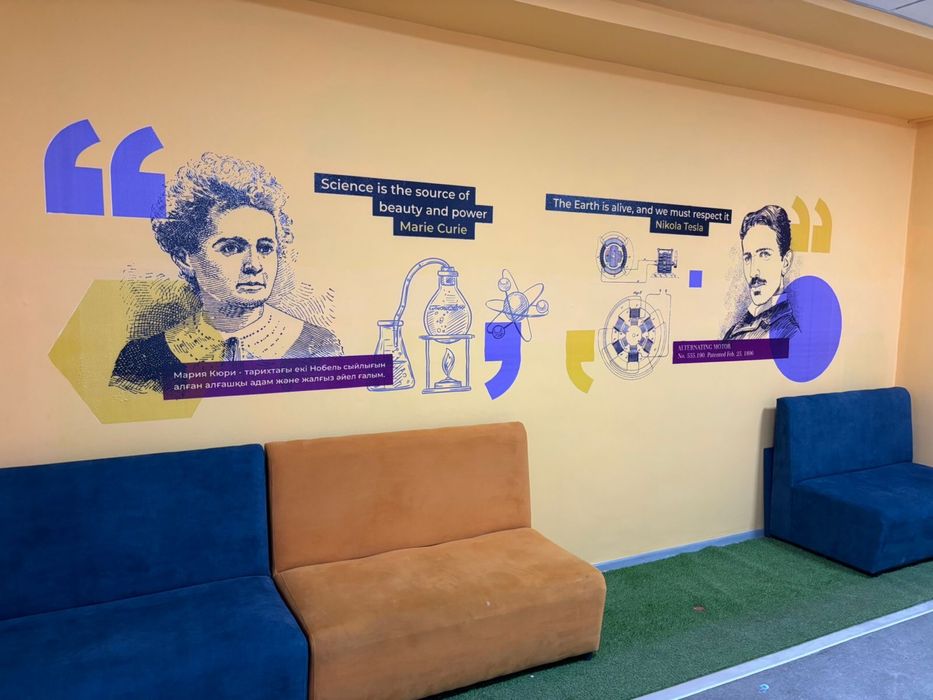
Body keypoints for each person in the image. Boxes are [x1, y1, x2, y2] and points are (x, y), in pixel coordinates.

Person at [111, 153, 342, 393]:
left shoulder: (317, 345)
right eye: (231, 248)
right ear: (184, 258)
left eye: (265, 248)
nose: (254, 265)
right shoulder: (144, 359)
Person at [723, 204, 799, 341]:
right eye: (748, 258)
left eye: (764, 254)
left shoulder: (789, 333)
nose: (753, 273)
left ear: (785, 262)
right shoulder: (734, 331)